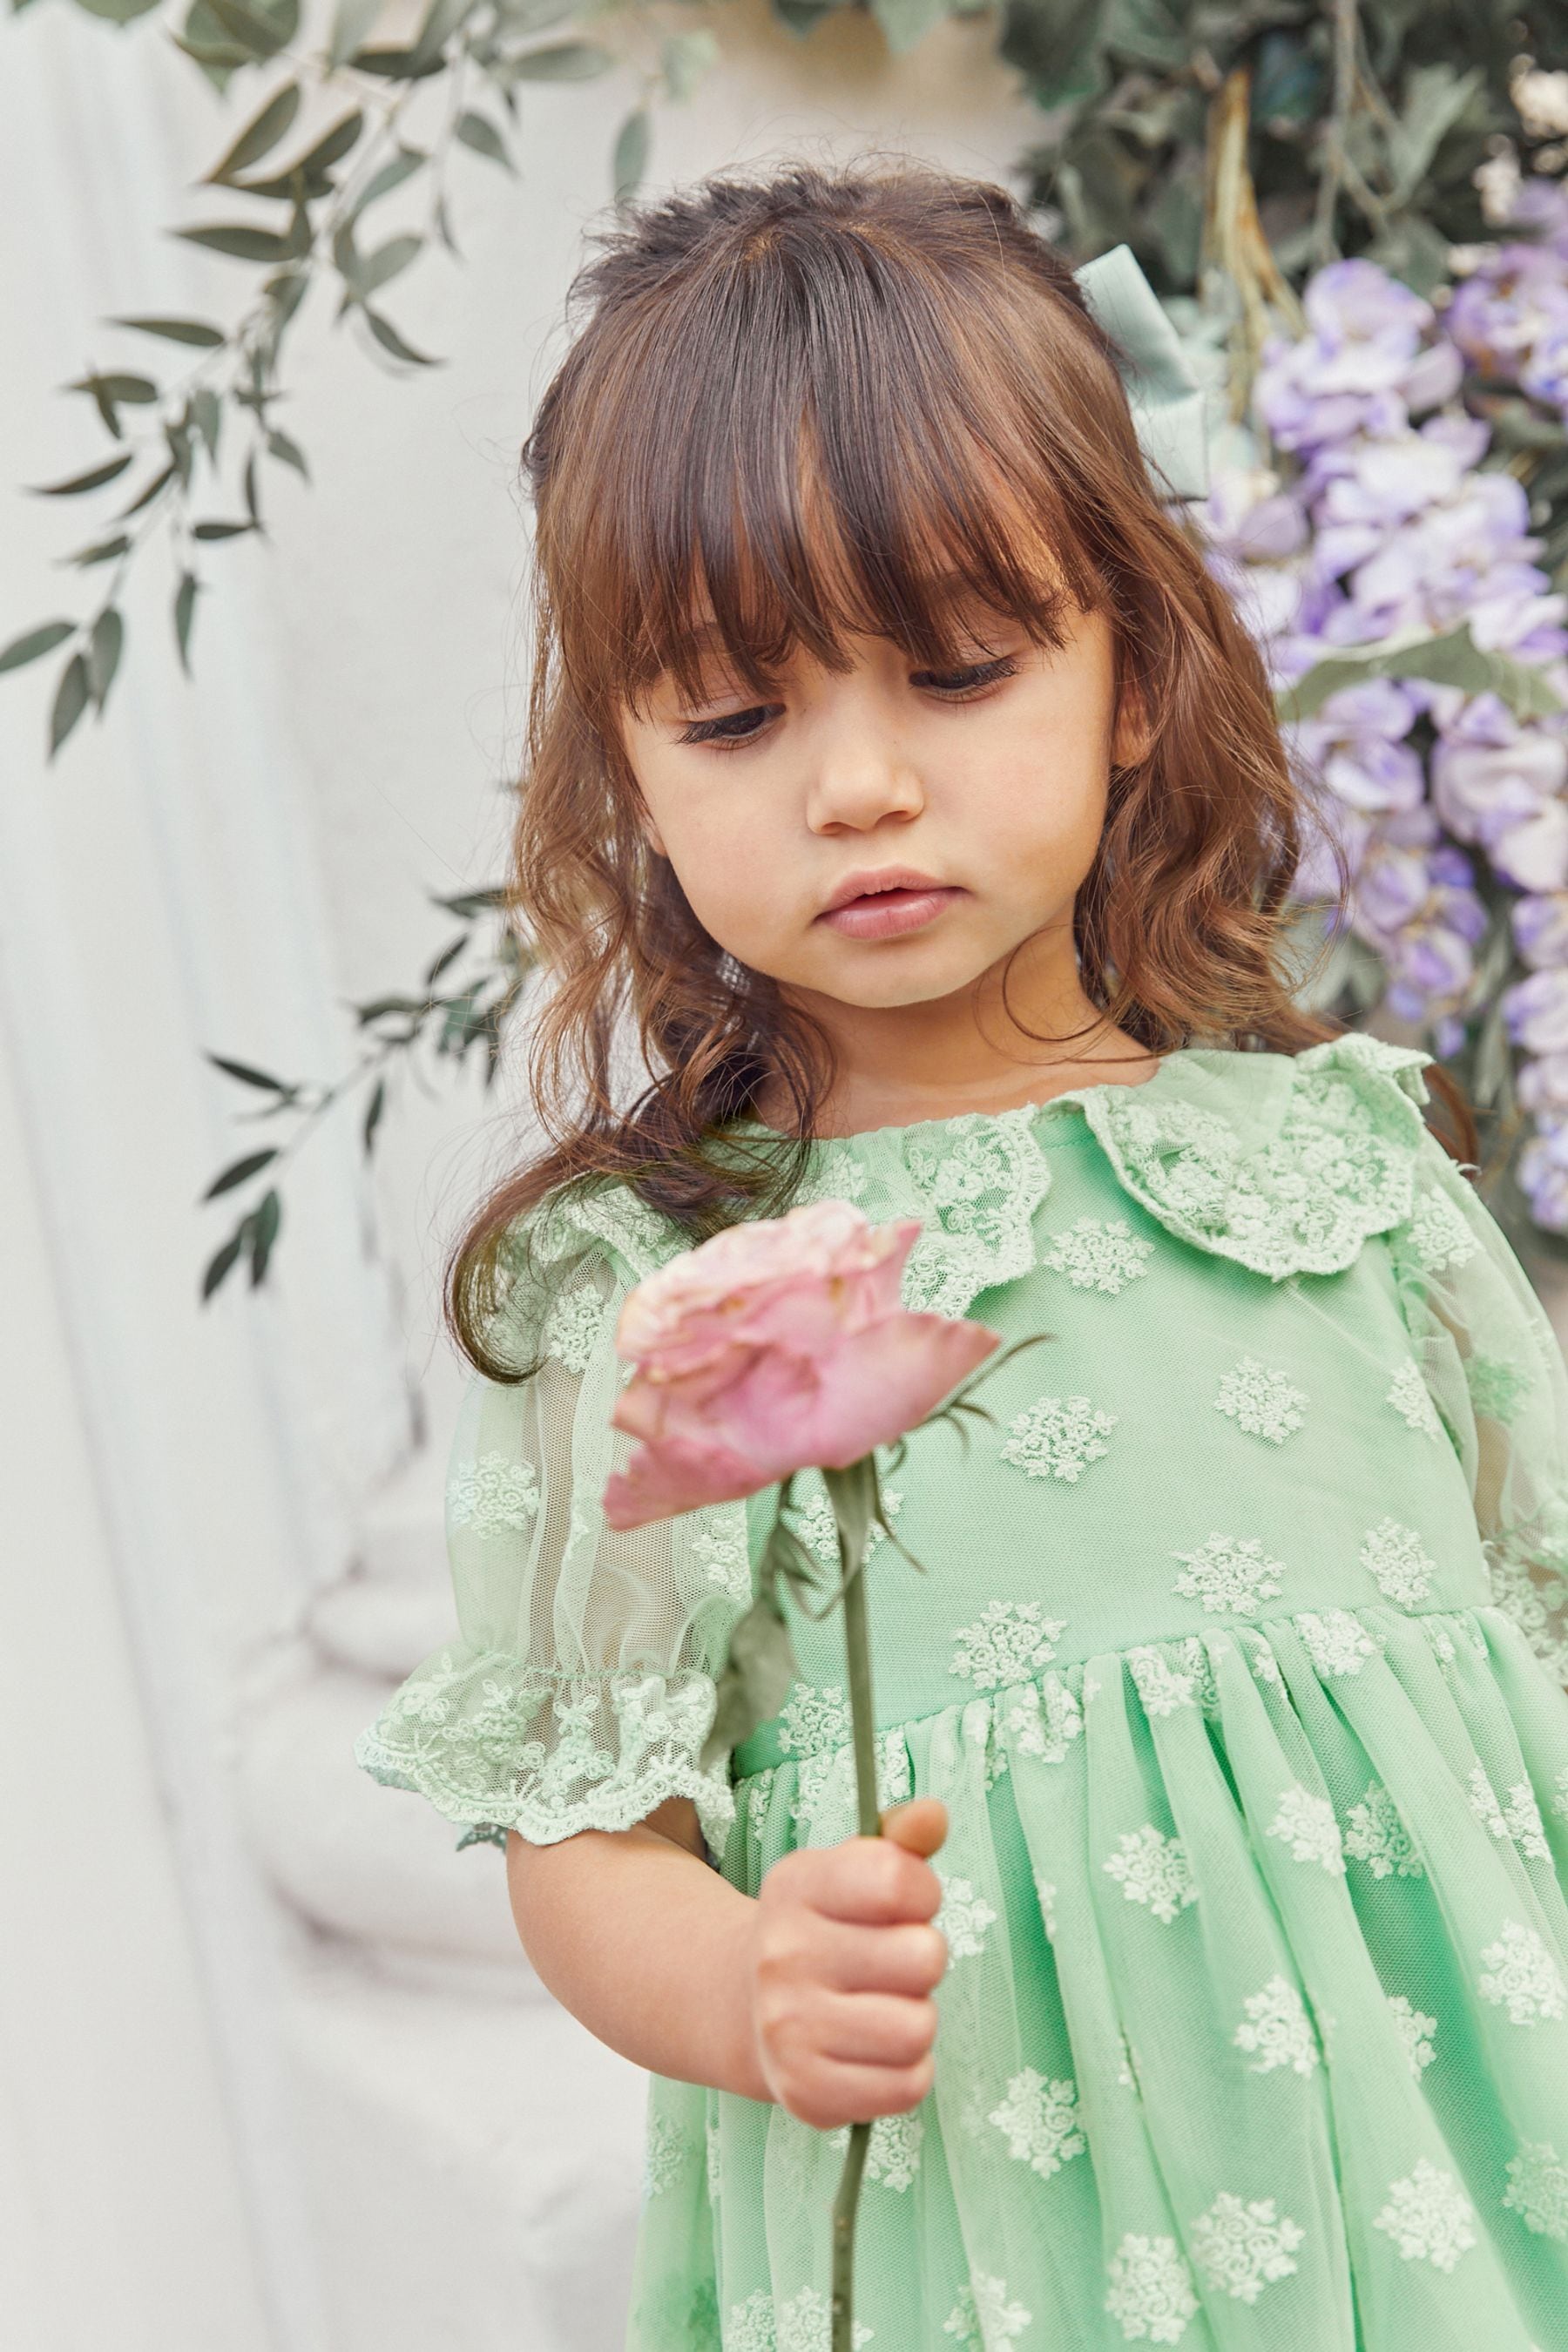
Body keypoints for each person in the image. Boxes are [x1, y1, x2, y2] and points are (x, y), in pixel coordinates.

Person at [353, 156, 1568, 2350]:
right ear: (624, 766)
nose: (856, 789)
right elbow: (581, 1826)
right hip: (1008, 2225)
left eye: (959, 668)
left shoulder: (1338, 1170)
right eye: (735, 716)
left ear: (1127, 673)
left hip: (1469, 2161)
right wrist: (745, 1982)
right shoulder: (666, 1282)